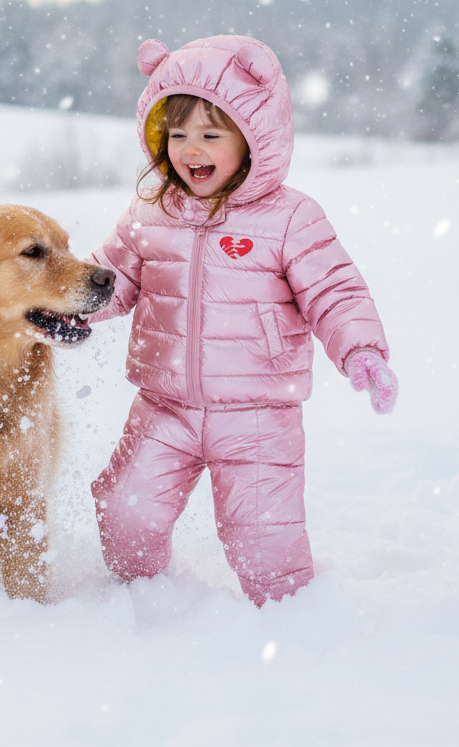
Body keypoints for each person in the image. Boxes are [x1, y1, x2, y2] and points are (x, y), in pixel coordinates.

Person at [88, 34, 398, 607]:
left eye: (211, 134)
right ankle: (141, 602)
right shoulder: (150, 212)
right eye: (176, 134)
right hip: (163, 405)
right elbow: (111, 279)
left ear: (254, 137)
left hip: (258, 415)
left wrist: (361, 351)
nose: (191, 149)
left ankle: (288, 621)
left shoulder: (290, 217)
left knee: (264, 539)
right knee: (126, 508)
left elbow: (334, 290)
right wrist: (65, 309)